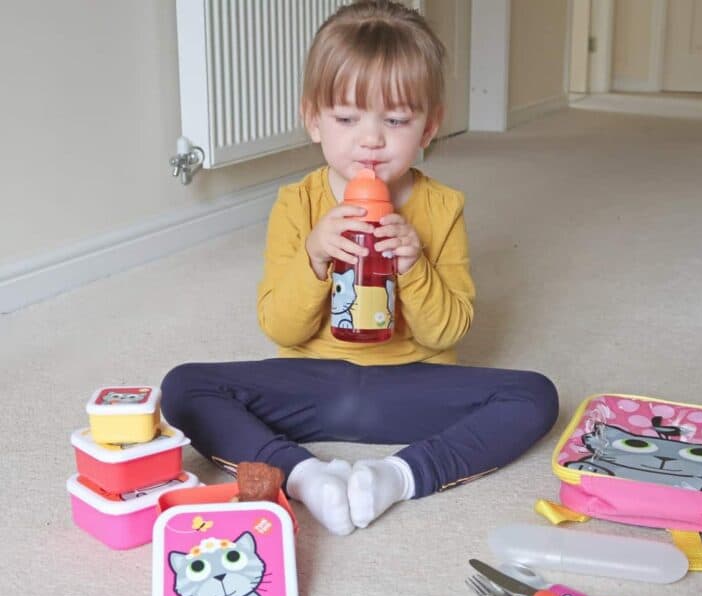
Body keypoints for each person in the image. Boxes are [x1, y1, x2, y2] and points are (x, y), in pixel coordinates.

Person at [161, 0, 558, 536]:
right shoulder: (296, 204)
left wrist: (413, 265)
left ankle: (399, 475)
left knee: (536, 396)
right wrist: (314, 257)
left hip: (408, 384)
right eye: (347, 119)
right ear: (314, 122)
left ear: (429, 126)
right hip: (311, 383)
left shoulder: (442, 208)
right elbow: (280, 326)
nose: (370, 139)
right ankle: (302, 475)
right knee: (183, 388)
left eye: (395, 120)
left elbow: (451, 328)